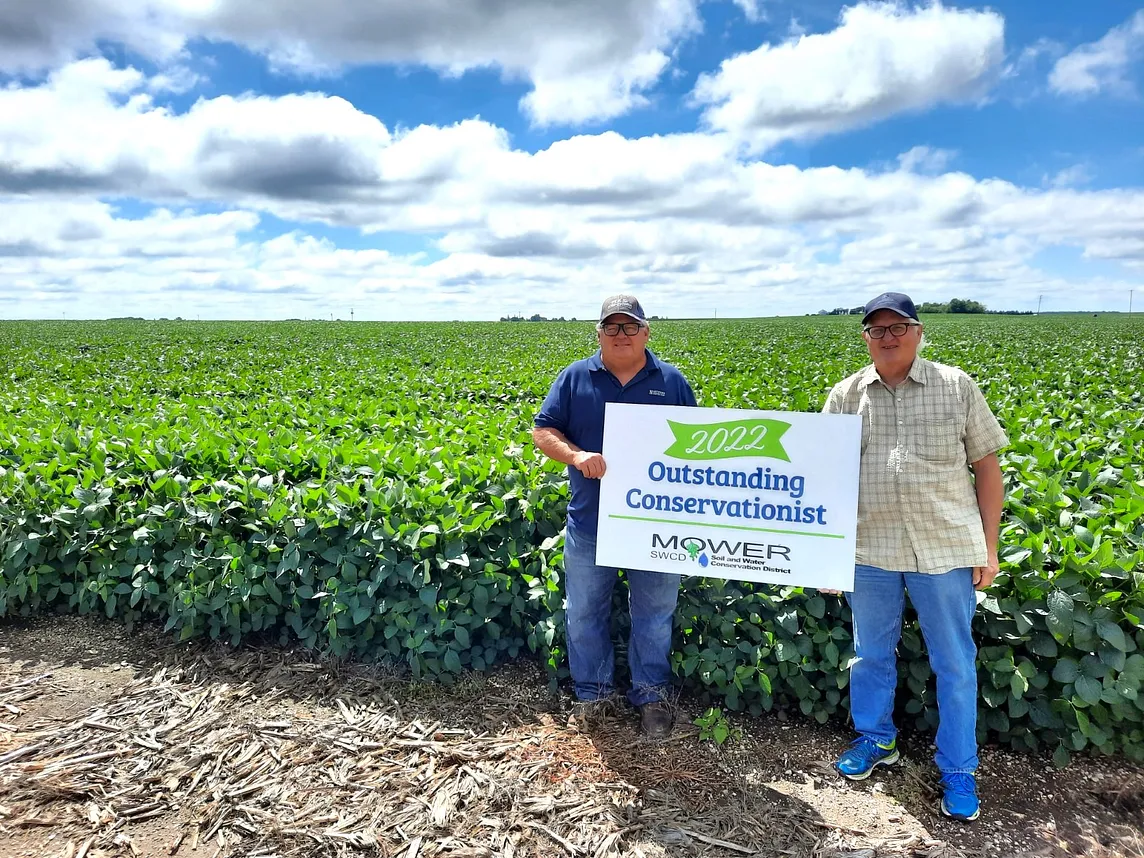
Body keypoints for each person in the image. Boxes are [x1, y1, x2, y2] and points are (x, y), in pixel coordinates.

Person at [821, 291, 1007, 822]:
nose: (887, 336)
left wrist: (988, 549)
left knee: (954, 662)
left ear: (919, 331)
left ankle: (958, 768)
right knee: (870, 653)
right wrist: (825, 554)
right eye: (876, 329)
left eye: (897, 326)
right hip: (870, 547)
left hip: (945, 548)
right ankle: (877, 739)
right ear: (865, 338)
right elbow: (825, 479)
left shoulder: (956, 386)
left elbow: (988, 470)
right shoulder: (846, 394)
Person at [532, 294, 698, 737]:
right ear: (599, 332)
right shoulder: (575, 377)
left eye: (630, 326)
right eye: (612, 327)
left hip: (655, 526)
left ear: (646, 331)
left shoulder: (672, 381)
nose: (621, 335)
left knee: (654, 613)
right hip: (591, 523)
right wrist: (576, 454)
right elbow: (543, 431)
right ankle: (593, 694)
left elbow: (700, 446)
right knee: (585, 611)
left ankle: (650, 694)